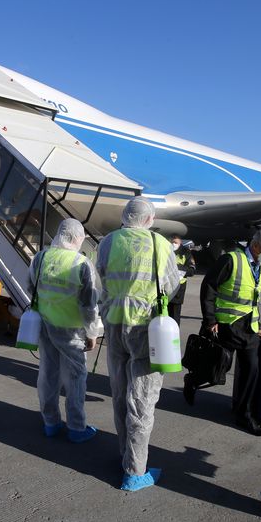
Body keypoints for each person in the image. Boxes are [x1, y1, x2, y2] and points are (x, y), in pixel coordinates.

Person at [96, 196, 182, 491]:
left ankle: (125, 452)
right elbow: (171, 286)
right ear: (150, 219)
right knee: (142, 399)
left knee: (120, 391)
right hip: (145, 326)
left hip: (115, 321)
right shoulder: (161, 245)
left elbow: (102, 277)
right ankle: (135, 470)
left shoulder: (108, 242)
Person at [185, 228, 261, 436]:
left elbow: (252, 301)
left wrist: (258, 327)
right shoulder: (231, 260)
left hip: (249, 328)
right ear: (255, 247)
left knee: (251, 370)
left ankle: (243, 415)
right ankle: (192, 381)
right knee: (216, 368)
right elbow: (208, 288)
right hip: (226, 325)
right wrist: (210, 320)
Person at [27, 219, 103, 444]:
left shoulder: (40, 258)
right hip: (71, 331)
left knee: (48, 374)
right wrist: (92, 333)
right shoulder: (81, 264)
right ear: (77, 238)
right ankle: (76, 428)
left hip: (45, 325)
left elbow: (30, 288)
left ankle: (50, 422)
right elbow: (89, 304)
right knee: (76, 379)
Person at [167, 234, 196, 324]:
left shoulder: (185, 252)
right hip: (164, 287)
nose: (173, 244)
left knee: (175, 315)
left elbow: (192, 271)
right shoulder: (165, 250)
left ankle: (174, 336)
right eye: (172, 242)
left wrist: (178, 268)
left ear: (180, 243)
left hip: (178, 289)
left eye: (175, 242)